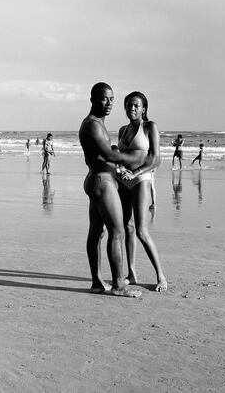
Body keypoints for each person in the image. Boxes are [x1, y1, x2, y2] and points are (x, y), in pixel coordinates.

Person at [79, 82, 144, 297]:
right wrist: (139, 157)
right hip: (102, 182)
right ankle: (119, 286)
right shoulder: (93, 125)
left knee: (97, 233)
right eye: (104, 98)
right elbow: (110, 155)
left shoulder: (97, 123)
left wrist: (117, 160)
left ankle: (97, 282)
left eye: (112, 99)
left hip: (98, 180)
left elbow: (105, 153)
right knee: (117, 232)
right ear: (92, 100)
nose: (109, 103)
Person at [116, 91, 167, 292]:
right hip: (123, 182)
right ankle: (131, 273)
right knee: (126, 228)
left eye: (136, 105)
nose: (132, 108)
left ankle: (161, 276)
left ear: (144, 108)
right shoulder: (122, 130)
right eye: (129, 105)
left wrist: (135, 173)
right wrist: (118, 167)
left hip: (141, 180)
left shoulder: (150, 127)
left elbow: (156, 159)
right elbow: (121, 157)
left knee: (141, 231)